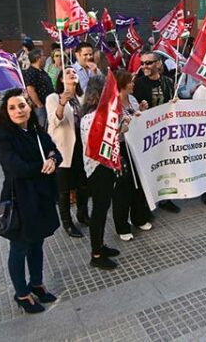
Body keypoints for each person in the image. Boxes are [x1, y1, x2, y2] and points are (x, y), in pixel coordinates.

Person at [0, 89, 62, 313]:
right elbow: (16, 168)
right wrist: (45, 168)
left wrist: (52, 158)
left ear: (29, 107)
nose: (18, 111)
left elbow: (54, 150)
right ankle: (22, 294)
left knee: (37, 242)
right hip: (19, 199)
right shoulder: (2, 136)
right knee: (20, 246)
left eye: (22, 105)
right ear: (6, 111)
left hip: (41, 196)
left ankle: (37, 283)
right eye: (12, 107)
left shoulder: (34, 130)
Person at [80, 75, 121, 270]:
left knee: (103, 211)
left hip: (106, 168)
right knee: (98, 212)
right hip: (97, 170)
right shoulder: (90, 118)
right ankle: (96, 254)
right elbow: (98, 146)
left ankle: (101, 245)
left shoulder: (102, 114)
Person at [132, 51, 179, 213]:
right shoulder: (138, 84)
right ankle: (147, 202)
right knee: (148, 167)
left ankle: (167, 198)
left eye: (149, 63)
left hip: (165, 132)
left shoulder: (168, 81)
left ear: (158, 64)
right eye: (142, 63)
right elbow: (132, 109)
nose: (144, 66)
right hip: (147, 134)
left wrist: (175, 103)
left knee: (167, 164)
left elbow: (174, 104)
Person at [46, 67, 89, 239]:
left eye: (74, 72)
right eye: (68, 73)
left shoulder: (81, 96)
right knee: (64, 190)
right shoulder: (53, 97)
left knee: (83, 185)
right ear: (62, 80)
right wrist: (62, 103)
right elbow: (54, 121)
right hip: (63, 149)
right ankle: (67, 223)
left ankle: (82, 214)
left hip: (81, 147)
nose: (73, 74)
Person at [113, 70, 153, 241]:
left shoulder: (134, 100)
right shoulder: (112, 104)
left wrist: (142, 111)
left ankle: (139, 218)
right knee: (123, 187)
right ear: (122, 83)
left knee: (139, 184)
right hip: (120, 149)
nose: (134, 84)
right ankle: (122, 226)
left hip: (136, 147)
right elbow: (112, 129)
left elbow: (139, 121)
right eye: (131, 81)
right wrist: (126, 121)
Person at [23, 49, 55, 130]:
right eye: (43, 55)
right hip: (40, 107)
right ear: (38, 58)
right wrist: (39, 105)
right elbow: (30, 90)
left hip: (48, 105)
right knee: (42, 128)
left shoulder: (42, 71)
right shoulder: (31, 72)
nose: (45, 57)